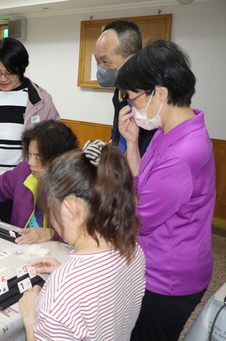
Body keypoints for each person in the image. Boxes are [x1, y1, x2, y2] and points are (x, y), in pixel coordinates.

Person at [117, 40, 215, 341]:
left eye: (133, 99)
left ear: (160, 93)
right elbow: (140, 184)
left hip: (169, 277)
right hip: (155, 260)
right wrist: (132, 144)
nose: (131, 108)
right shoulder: (168, 130)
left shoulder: (182, 153)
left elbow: (139, 219)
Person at [19, 141, 145, 340]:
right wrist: (68, 273)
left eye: (52, 208)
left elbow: (73, 296)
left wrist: (30, 319)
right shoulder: (133, 249)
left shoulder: (62, 290)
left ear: (71, 209)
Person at [0, 37, 60, 223]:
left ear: (21, 68)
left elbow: (55, 141)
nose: (2, 79)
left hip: (21, 187)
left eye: (9, 73)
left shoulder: (40, 99)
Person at [0, 120, 78, 244]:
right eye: (30, 154)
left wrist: (51, 234)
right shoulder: (24, 172)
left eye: (37, 156)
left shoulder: (76, 187)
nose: (30, 162)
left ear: (58, 158)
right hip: (22, 249)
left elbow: (84, 233)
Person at [94, 20, 155, 156]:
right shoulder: (120, 92)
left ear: (131, 61)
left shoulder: (149, 101)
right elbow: (118, 132)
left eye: (105, 62)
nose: (100, 68)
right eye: (97, 61)